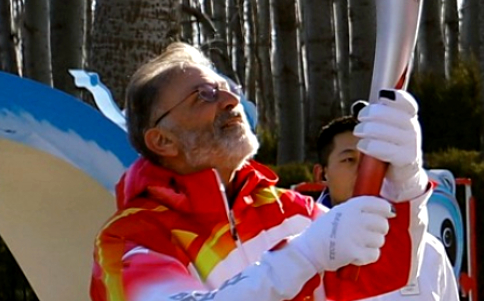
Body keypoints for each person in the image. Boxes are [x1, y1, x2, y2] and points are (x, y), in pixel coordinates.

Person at [90, 43, 432, 301]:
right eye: (203, 95)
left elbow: (386, 277)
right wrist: (302, 256)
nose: (229, 99)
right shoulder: (129, 238)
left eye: (226, 86)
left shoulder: (292, 210)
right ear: (162, 140)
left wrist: (404, 184)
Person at [314, 109, 460, 301]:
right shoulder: (302, 252)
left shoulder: (428, 251)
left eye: (373, 161)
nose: (364, 171)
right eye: (349, 160)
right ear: (321, 174)